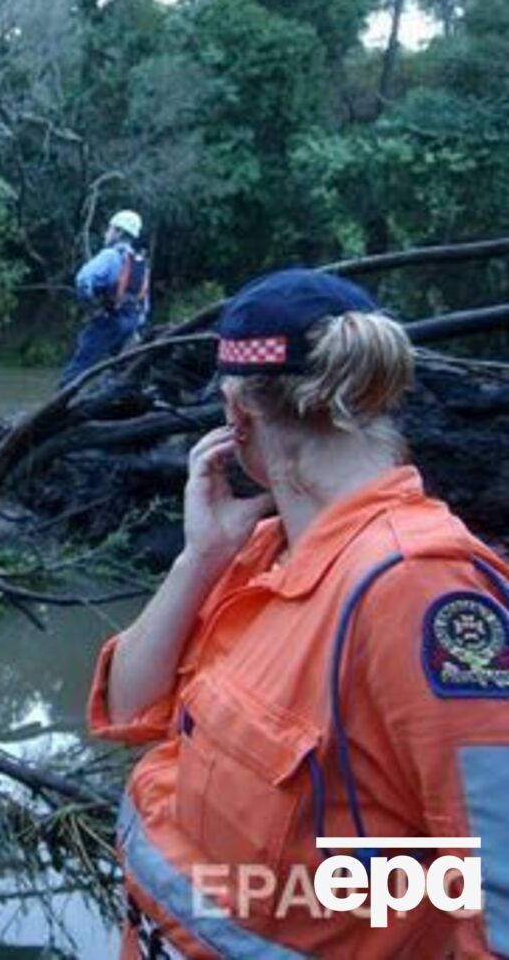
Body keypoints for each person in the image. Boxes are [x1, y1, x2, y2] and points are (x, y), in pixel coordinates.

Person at [86, 269, 509, 957]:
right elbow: (129, 707)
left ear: (238, 416)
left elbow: (497, 892)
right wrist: (199, 559)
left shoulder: (419, 589)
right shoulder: (257, 551)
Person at [59, 209, 151, 387]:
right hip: (131, 324)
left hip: (109, 320)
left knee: (79, 367)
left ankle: (58, 406)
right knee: (118, 370)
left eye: (110, 229)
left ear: (118, 232)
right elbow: (145, 304)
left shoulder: (111, 256)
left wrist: (93, 306)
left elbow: (83, 280)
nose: (106, 233)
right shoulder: (139, 261)